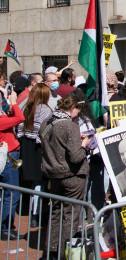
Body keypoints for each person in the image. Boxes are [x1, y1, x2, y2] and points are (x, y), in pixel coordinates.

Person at [39, 95, 90, 259]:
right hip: (72, 176)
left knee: (56, 213)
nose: (78, 114)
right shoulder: (70, 125)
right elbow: (76, 157)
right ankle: (64, 253)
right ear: (73, 108)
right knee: (70, 216)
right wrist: (84, 146)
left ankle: (51, 250)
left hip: (54, 175)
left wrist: (74, 141)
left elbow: (56, 143)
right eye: (78, 110)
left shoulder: (46, 122)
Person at [17, 83, 53, 227]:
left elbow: (19, 127)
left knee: (35, 182)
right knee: (40, 182)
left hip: (26, 146)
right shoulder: (45, 109)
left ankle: (34, 211)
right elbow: (45, 130)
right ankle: (35, 214)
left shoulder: (26, 107)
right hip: (38, 147)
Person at [0, 91, 24, 241]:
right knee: (12, 193)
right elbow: (20, 118)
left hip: (8, 155)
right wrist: (14, 103)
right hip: (8, 157)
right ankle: (6, 228)